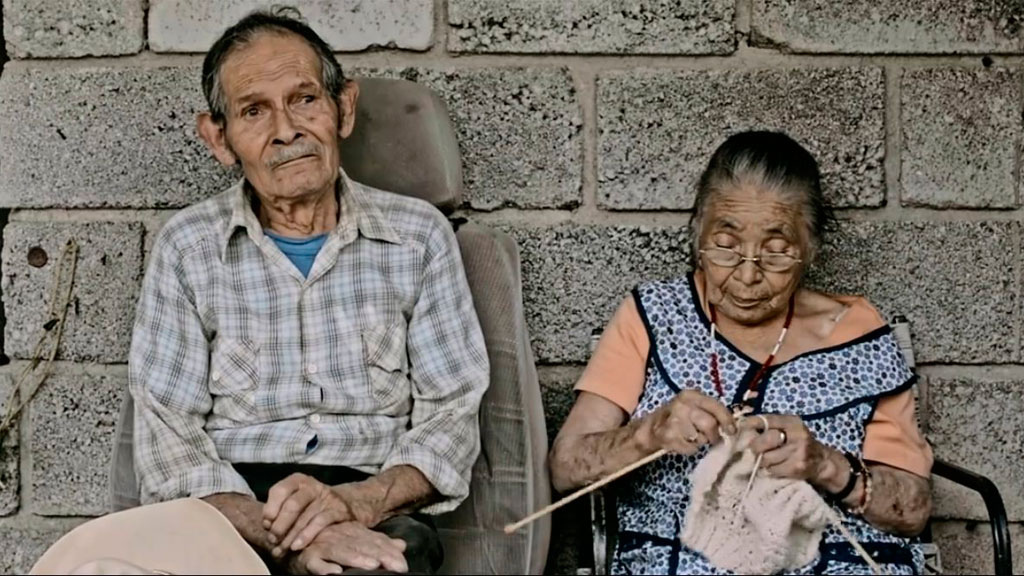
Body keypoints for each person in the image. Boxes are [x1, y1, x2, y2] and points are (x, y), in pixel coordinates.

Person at [35, 7, 489, 576]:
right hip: (227, 511)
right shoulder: (189, 247)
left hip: (371, 505)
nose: (286, 130)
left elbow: (450, 416)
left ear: (342, 108)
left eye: (304, 100)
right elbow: (169, 432)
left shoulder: (419, 236)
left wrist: (352, 506)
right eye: (254, 111)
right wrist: (286, 537)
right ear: (220, 139)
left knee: (376, 567)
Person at [548, 131, 933, 575]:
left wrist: (825, 465)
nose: (748, 276)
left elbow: (914, 509)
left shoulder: (861, 334)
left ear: (810, 249)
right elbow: (565, 466)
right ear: (697, 236)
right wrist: (648, 434)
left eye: (775, 253)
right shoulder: (653, 316)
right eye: (727, 248)